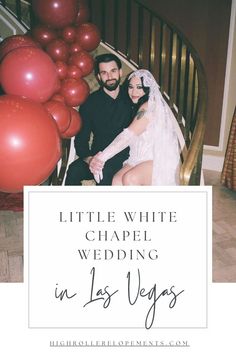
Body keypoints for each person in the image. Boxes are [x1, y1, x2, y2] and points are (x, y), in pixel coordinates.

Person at [89, 69, 180, 185]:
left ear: (147, 89)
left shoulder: (149, 106)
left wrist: (101, 158)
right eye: (131, 87)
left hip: (155, 159)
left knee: (131, 178)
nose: (134, 92)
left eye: (139, 87)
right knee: (116, 180)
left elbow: (128, 136)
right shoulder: (136, 107)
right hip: (136, 158)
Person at [65, 53, 132, 185]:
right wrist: (90, 160)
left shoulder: (131, 97)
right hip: (97, 156)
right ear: (99, 77)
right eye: (104, 73)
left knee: (106, 175)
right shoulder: (90, 103)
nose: (109, 77)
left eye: (113, 71)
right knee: (74, 171)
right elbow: (81, 140)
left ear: (120, 72)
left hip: (125, 157)